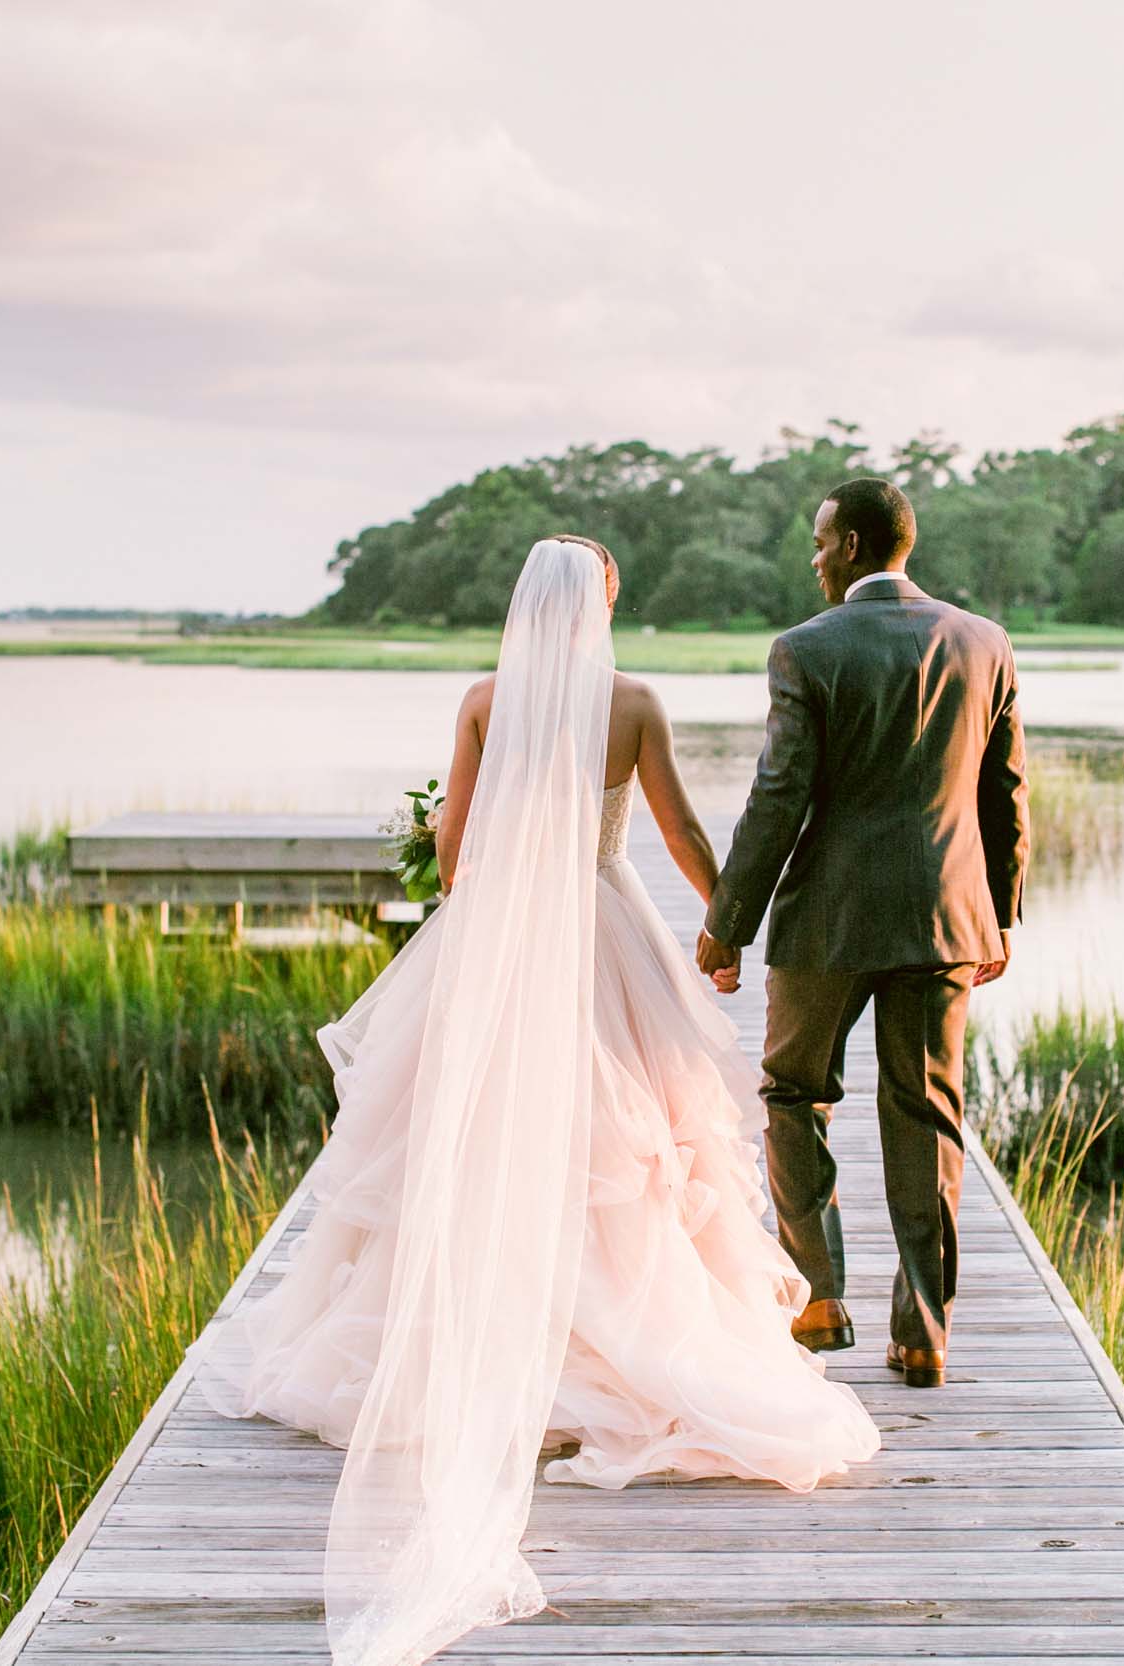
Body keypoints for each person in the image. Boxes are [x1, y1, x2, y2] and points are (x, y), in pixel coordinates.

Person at [195, 535, 879, 1666]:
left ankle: (490, 1329)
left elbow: (457, 851)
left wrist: (454, 858)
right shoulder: (636, 704)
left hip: (501, 943)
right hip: (605, 927)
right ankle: (607, 1340)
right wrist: (720, 928)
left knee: (466, 1136)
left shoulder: (478, 701)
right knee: (632, 1146)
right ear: (602, 603)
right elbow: (678, 832)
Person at [697, 477, 1029, 1390]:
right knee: (927, 1114)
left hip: (828, 923)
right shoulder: (983, 642)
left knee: (793, 1096)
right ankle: (924, 1332)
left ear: (851, 546)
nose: (812, 556)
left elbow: (779, 795)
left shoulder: (806, 649)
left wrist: (729, 921)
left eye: (819, 540)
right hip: (945, 922)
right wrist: (998, 913)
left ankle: (817, 1297)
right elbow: (1005, 793)